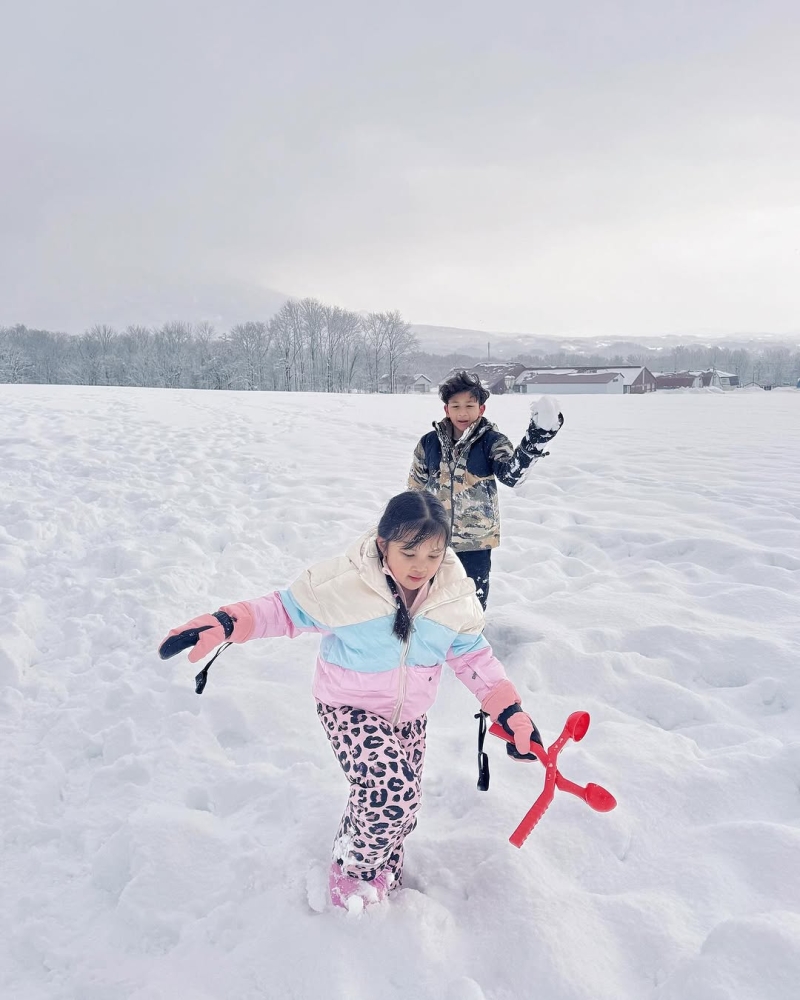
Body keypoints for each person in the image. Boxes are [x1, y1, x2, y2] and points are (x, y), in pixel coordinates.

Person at [159, 490, 541, 912]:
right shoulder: (345, 585)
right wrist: (227, 622)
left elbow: (472, 657)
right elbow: (283, 610)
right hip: (349, 707)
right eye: (409, 552)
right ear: (383, 543)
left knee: (401, 807)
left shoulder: (453, 597)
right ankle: (352, 873)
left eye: (434, 554)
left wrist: (509, 710)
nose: (421, 566)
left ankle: (380, 863)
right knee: (392, 795)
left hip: (409, 714)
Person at [408, 370, 563, 609]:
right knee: (430, 595)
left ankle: (470, 632)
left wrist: (534, 441)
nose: (462, 413)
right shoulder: (429, 443)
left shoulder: (492, 441)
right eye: (455, 406)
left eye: (470, 406)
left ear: (481, 409)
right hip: (433, 538)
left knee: (472, 599)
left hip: (475, 541)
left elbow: (511, 475)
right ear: (446, 409)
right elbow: (415, 487)